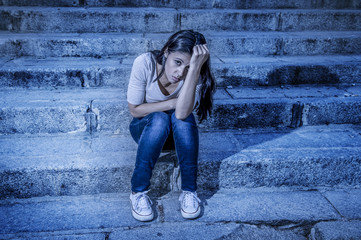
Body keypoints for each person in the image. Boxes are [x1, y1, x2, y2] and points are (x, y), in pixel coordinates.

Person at [127, 30, 216, 222]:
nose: (180, 72)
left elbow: (182, 113)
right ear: (167, 51)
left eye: (187, 66)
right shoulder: (145, 63)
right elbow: (135, 110)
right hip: (145, 131)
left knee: (183, 119)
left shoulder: (194, 73)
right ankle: (138, 192)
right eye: (177, 62)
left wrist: (194, 69)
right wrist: (170, 103)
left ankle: (189, 192)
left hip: (177, 137)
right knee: (159, 118)